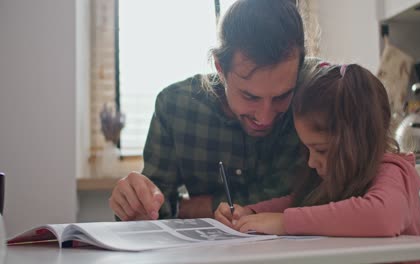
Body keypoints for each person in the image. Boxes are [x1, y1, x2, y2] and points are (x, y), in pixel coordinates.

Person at [109, 0, 317, 221]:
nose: (265, 117)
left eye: (282, 96)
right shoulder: (174, 107)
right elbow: (158, 205)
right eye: (250, 96)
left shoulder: (315, 99)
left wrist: (191, 207)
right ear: (220, 68)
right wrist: (135, 202)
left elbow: (304, 198)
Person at [214, 63, 420, 253]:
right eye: (307, 150)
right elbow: (299, 202)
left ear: (358, 142)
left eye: (322, 150)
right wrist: (251, 212)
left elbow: (383, 217)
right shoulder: (338, 178)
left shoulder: (393, 171)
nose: (311, 161)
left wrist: (285, 223)